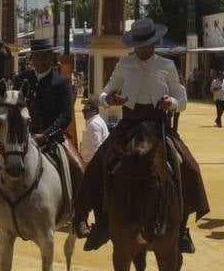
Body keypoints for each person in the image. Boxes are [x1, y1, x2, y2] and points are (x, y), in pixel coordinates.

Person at [73, 18, 209, 254]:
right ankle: (97, 222)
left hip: (158, 124)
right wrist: (109, 100)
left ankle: (183, 227)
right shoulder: (124, 64)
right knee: (99, 162)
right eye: (139, 45)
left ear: (154, 43)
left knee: (189, 166)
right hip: (129, 123)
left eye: (147, 45)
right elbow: (105, 92)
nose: (143, 49)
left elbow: (182, 100)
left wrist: (172, 103)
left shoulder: (166, 65)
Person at [0, 38, 82, 212]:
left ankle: (80, 215)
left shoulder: (61, 82)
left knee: (78, 168)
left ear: (51, 57)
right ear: (31, 58)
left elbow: (66, 116)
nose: (39, 60)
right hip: (22, 138)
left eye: (44, 56)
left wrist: (46, 135)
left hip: (52, 138)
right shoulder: (21, 79)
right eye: (36, 56)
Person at [80, 98, 109, 164]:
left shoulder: (94, 124)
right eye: (83, 111)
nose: (83, 113)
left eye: (86, 110)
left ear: (94, 111)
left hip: (90, 162)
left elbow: (98, 147)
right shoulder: (97, 121)